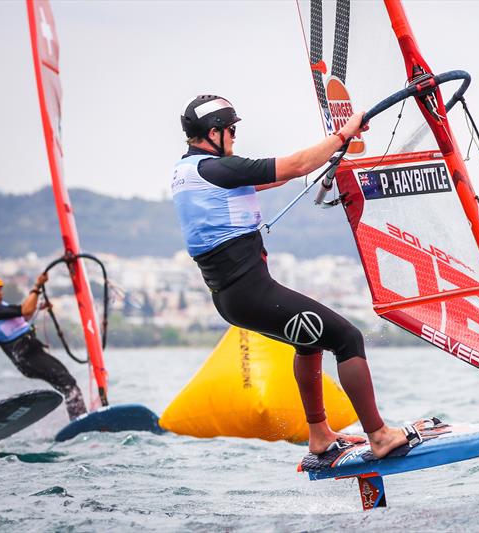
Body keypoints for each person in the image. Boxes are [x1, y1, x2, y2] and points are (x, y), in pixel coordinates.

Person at [172, 95, 423, 458]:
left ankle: (319, 434)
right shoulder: (216, 170)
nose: (235, 138)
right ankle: (380, 435)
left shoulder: (189, 173)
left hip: (233, 299)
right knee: (347, 337)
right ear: (214, 133)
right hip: (251, 292)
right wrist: (342, 135)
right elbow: (295, 165)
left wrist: (327, 153)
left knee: (308, 341)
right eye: (232, 131)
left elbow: (275, 176)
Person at [0, 274, 87, 420]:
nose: (0, 293)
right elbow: (25, 310)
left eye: (0, 290)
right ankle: (80, 418)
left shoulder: (1, 308)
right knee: (66, 381)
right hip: (27, 357)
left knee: (67, 382)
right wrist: (37, 287)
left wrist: (38, 307)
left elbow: (24, 316)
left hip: (32, 353)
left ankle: (78, 417)